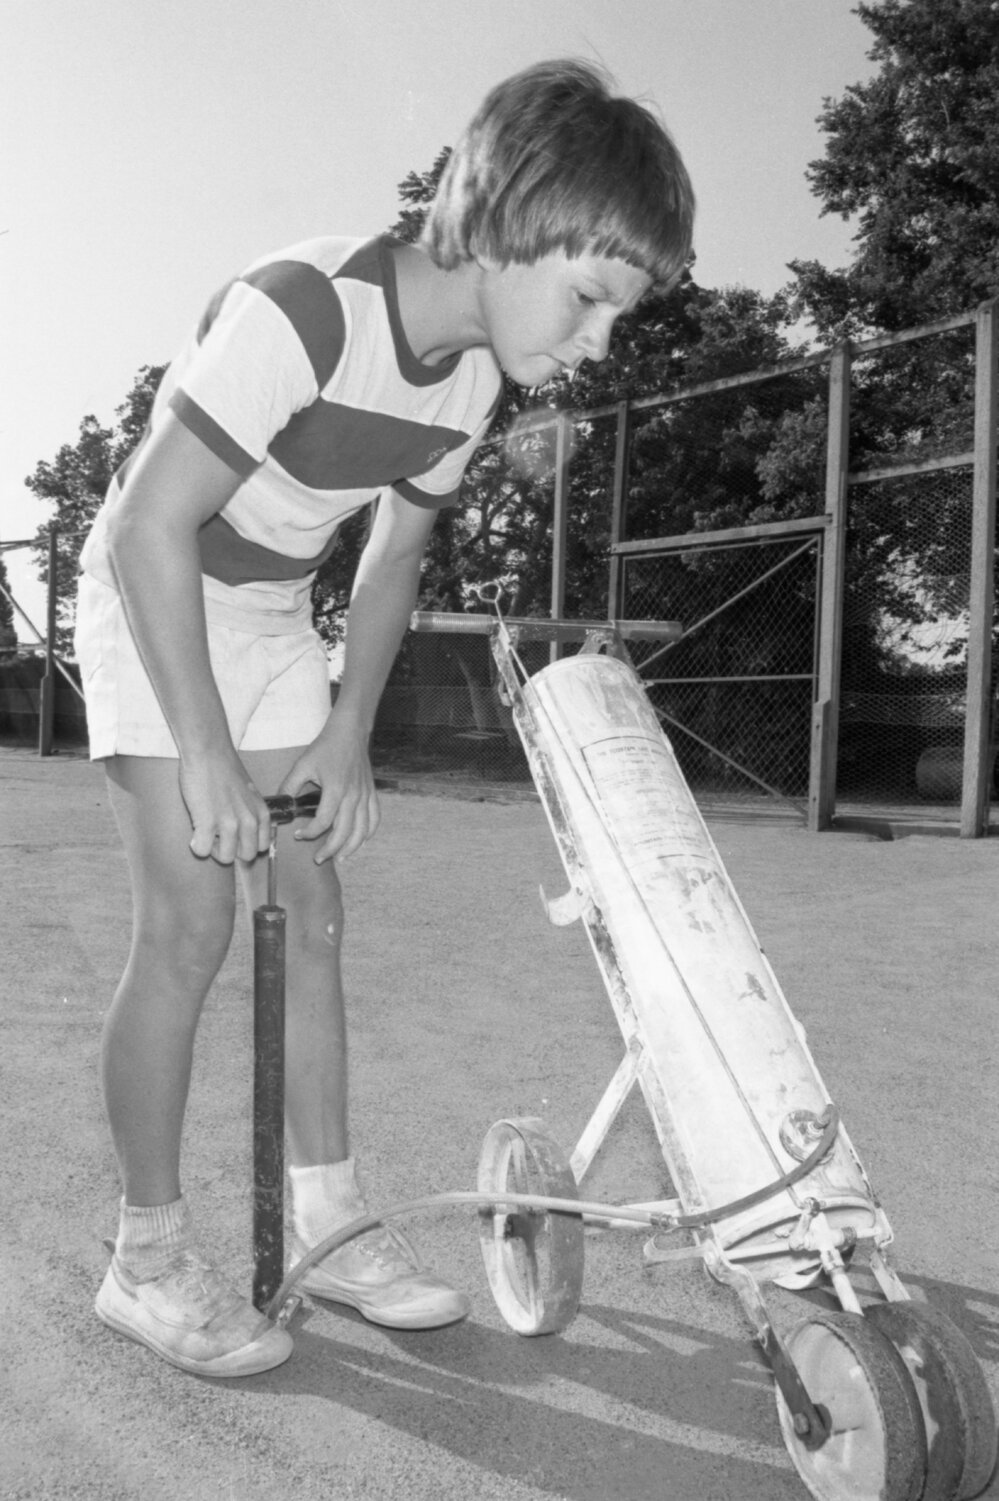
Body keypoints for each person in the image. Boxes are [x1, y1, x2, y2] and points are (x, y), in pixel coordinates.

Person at [74, 57, 695, 1378]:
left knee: (313, 914)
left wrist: (349, 724)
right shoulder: (306, 310)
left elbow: (393, 560)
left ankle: (330, 1226)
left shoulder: (471, 388)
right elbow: (144, 526)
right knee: (192, 920)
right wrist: (203, 754)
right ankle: (145, 1257)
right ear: (508, 216)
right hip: (150, 594)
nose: (594, 341)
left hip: (271, 614)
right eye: (589, 297)